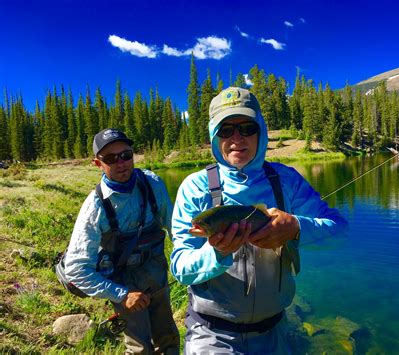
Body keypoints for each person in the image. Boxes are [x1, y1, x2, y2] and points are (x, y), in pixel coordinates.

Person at [171, 87, 348, 354]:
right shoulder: (194, 187)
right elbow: (180, 268)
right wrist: (216, 253)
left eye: (247, 128)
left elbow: (340, 231)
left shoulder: (287, 181)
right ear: (213, 135)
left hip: (275, 332)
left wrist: (296, 229)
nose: (236, 139)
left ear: (261, 131)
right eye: (226, 130)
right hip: (211, 335)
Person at [64, 128, 179, 354]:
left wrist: (190, 264)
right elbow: (76, 270)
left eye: (126, 155)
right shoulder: (94, 207)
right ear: (98, 164)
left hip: (157, 275)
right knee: (140, 349)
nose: (121, 163)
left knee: (169, 341)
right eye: (110, 158)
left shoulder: (153, 183)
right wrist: (122, 294)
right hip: (122, 282)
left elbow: (176, 229)